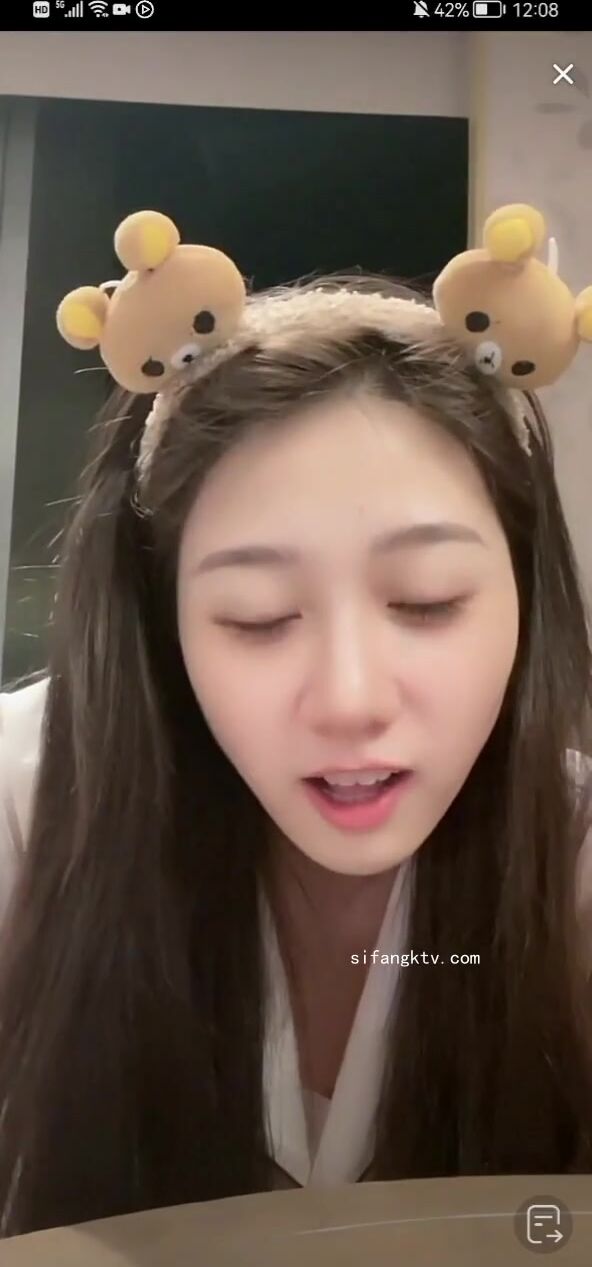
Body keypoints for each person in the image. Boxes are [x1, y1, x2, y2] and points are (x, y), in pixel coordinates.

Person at [0, 203, 591, 1238]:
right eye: (258, 617)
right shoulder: (27, 801)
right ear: (163, 623)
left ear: (523, 595)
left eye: (427, 601)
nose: (351, 699)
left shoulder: (573, 850)